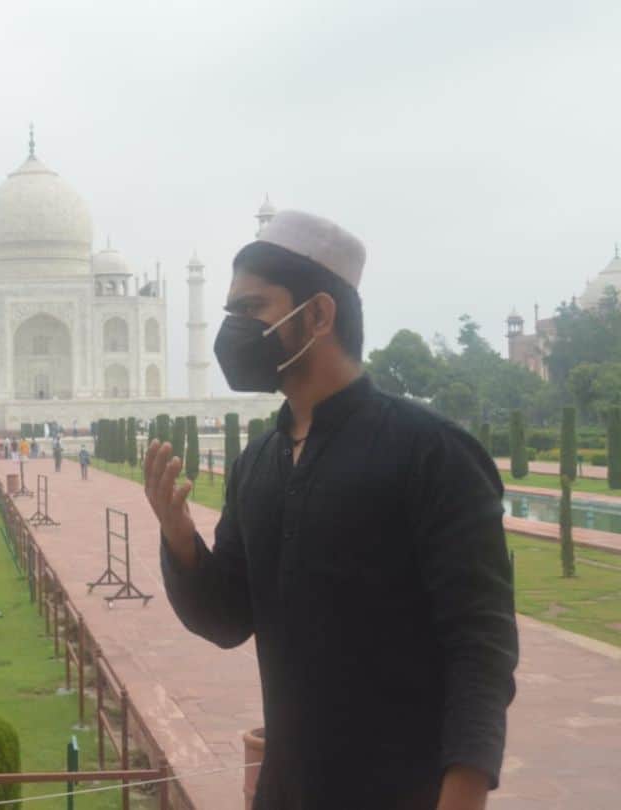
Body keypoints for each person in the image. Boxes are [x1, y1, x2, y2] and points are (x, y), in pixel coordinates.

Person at [145, 210, 517, 810]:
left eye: (252, 308)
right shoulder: (259, 464)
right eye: (231, 310)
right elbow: (227, 619)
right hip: (286, 790)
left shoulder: (431, 453)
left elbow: (481, 647)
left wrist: (464, 795)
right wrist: (181, 539)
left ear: (318, 314)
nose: (235, 329)